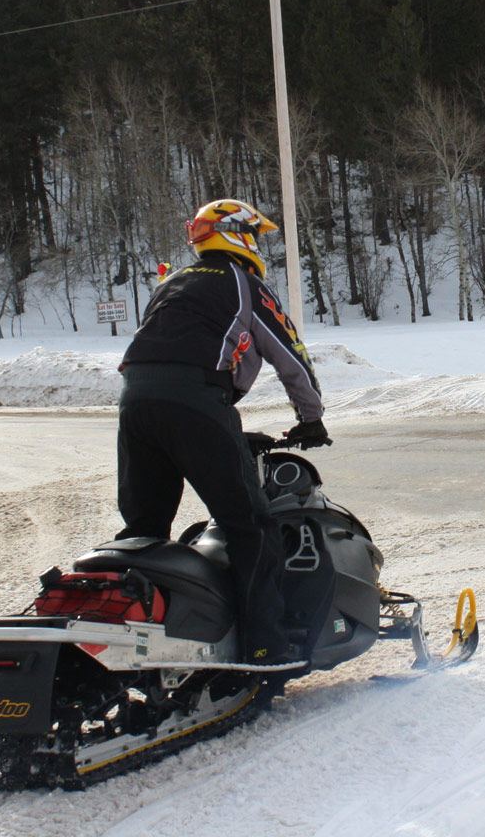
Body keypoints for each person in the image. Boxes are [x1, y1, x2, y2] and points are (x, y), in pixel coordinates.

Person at [116, 198, 329, 667]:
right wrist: (311, 418)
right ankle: (264, 650)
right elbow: (289, 353)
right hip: (195, 402)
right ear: (239, 236)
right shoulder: (244, 284)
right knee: (250, 528)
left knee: (144, 529)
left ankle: (139, 637)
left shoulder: (171, 282)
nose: (257, 246)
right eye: (254, 236)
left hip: (135, 401)